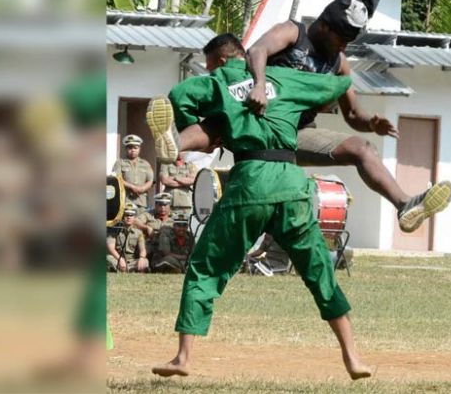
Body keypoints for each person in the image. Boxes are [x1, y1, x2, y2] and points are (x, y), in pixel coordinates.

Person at [147, 0, 451, 234]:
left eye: (350, 40)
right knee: (221, 122)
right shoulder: (295, 33)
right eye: (342, 38)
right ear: (324, 24)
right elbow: (258, 50)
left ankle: (405, 205)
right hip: (258, 117)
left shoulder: (339, 64)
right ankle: (174, 144)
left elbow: (353, 115)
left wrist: (371, 123)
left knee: (364, 149)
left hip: (296, 134)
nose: (344, 46)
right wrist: (258, 84)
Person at [150, 35, 371, 380]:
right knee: (320, 273)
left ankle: (183, 357)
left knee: (206, 268)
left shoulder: (221, 79)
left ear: (221, 61)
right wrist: (341, 63)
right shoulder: (283, 77)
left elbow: (180, 97)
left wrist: (214, 125)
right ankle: (353, 358)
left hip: (250, 180)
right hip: (291, 183)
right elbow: (337, 84)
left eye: (209, 65)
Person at [112, 134, 154, 210]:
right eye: (130, 147)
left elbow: (150, 180)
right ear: (126, 149)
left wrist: (142, 188)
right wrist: (132, 187)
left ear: (139, 149)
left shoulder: (145, 164)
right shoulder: (119, 163)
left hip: (141, 201)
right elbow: (117, 178)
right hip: (125, 200)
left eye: (135, 148)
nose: (133, 150)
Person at [134, 192, 174, 266]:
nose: (162, 208)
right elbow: (135, 221)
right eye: (160, 205)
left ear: (169, 206)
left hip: (167, 247)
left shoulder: (175, 218)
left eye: (165, 205)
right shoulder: (149, 214)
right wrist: (146, 228)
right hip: (151, 244)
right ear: (155, 205)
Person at [106, 203, 149, 272]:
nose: (129, 217)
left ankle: (125, 269)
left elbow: (143, 249)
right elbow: (111, 248)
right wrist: (120, 260)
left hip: (132, 261)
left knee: (145, 261)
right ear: (122, 216)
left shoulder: (139, 233)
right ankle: (127, 269)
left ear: (134, 217)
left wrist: (141, 258)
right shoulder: (114, 230)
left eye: (131, 215)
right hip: (117, 258)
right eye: (126, 215)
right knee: (107, 258)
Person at [158, 152, 197, 219]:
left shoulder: (190, 166)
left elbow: (192, 180)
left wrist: (176, 178)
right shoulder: (166, 164)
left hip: (185, 204)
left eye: (182, 151)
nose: (179, 153)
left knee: (183, 226)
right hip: (169, 204)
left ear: (185, 152)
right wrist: (184, 182)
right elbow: (164, 180)